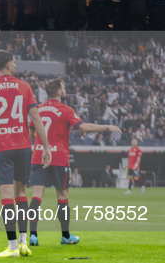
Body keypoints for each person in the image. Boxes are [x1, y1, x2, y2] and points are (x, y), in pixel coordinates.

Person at [27, 78, 121, 246]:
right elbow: (84, 127)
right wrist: (106, 127)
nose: (65, 90)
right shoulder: (65, 110)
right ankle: (65, 236)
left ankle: (33, 235)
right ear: (58, 92)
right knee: (62, 197)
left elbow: (32, 133)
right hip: (59, 158)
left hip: (39, 156)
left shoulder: (38, 109)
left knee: (36, 196)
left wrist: (44, 144)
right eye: (63, 88)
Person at [0, 50, 52, 258]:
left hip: (2, 147)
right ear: (9, 65)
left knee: (6, 196)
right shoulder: (24, 86)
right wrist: (45, 146)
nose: (16, 65)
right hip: (22, 147)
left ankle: (11, 248)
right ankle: (23, 243)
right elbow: (36, 119)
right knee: (21, 193)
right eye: (14, 62)